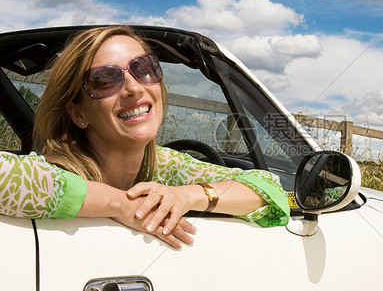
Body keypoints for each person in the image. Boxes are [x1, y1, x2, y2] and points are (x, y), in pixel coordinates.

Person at [0, 26, 290, 249]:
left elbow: (269, 188)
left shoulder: (162, 166)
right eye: (104, 80)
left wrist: (185, 195)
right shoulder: (48, 172)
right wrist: (120, 204)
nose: (133, 88)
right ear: (78, 114)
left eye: (144, 69)